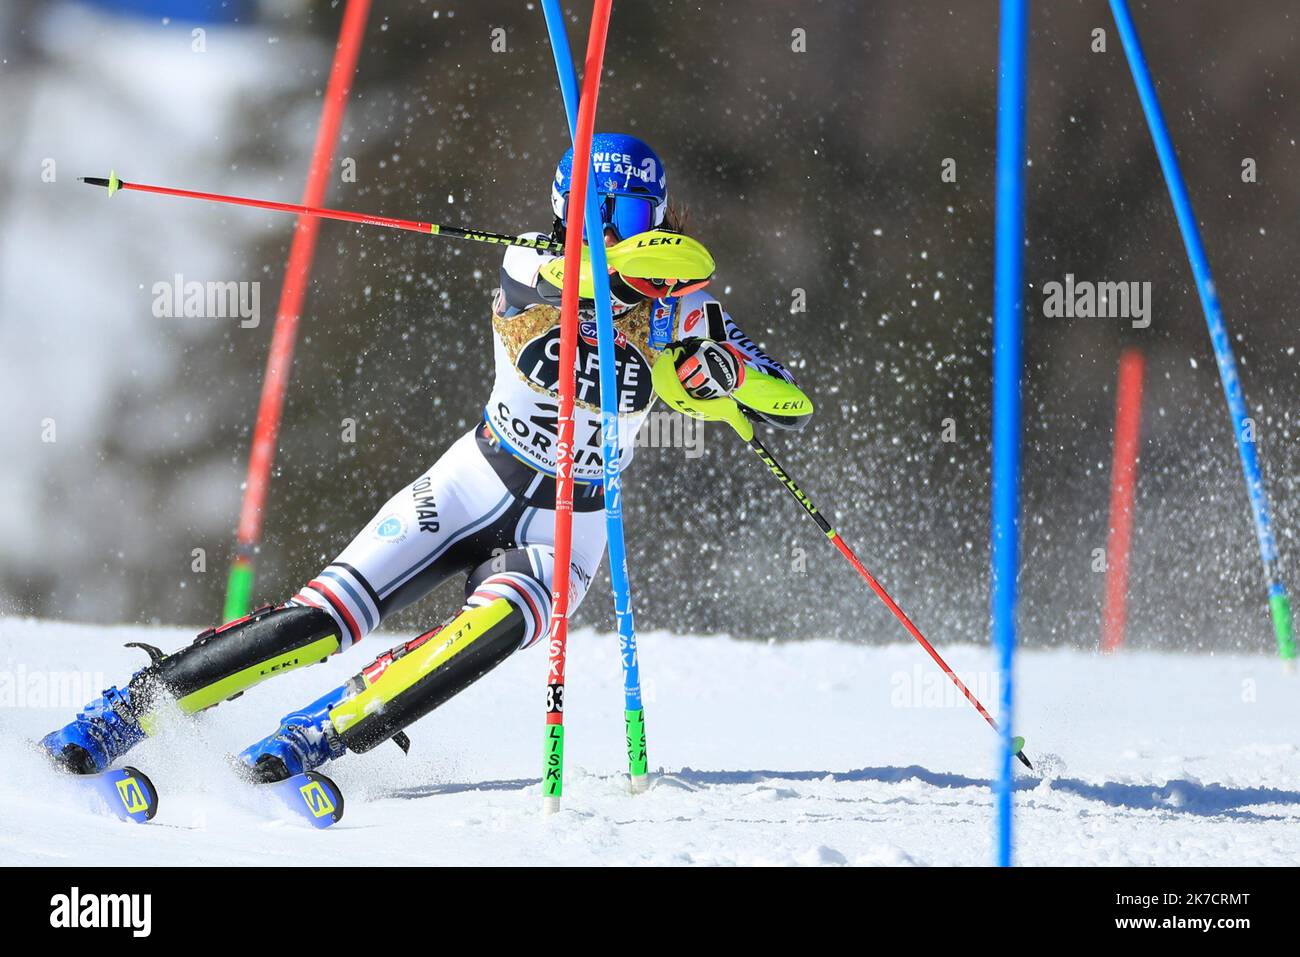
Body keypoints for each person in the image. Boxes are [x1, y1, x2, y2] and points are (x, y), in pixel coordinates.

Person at [41, 133, 813, 782]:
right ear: (562, 209)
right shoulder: (529, 264)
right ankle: (127, 710)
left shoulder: (687, 305)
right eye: (594, 211)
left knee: (505, 622)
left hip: (568, 524)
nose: (610, 228)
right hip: (473, 481)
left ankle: (323, 731)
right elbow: (578, 282)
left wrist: (724, 376)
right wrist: (647, 306)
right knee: (321, 621)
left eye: (630, 214)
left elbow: (788, 397)